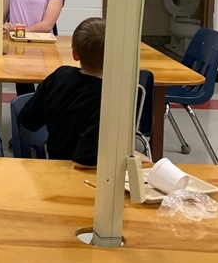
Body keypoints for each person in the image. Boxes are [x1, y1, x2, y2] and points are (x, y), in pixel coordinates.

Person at [16, 17, 142, 169]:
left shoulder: (60, 75)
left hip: (54, 159)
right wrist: (125, 158)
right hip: (79, 173)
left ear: (75, 54)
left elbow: (28, 119)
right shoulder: (108, 98)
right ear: (115, 58)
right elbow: (84, 162)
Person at [4, 0, 65, 97]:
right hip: (18, 47)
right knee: (23, 88)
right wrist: (2, 25)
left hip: (43, 48)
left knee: (46, 87)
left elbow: (47, 25)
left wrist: (21, 30)